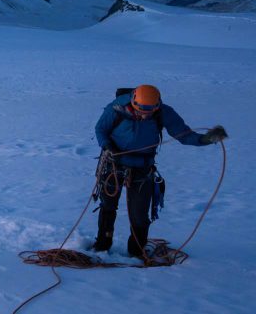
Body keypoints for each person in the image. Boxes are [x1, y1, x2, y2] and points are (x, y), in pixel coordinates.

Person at [93, 84, 227, 257]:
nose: (145, 113)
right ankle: (102, 246)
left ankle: (136, 252)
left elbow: (184, 135)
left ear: (157, 105)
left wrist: (206, 139)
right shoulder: (117, 108)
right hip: (113, 164)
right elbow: (100, 129)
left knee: (140, 213)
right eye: (141, 109)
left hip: (142, 168)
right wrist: (107, 146)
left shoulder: (163, 113)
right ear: (133, 102)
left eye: (149, 110)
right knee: (108, 205)